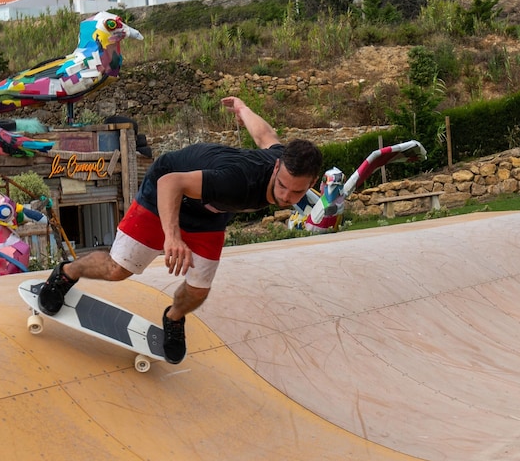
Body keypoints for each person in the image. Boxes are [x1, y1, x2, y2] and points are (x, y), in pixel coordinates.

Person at [37, 96, 323, 364]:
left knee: (198, 290)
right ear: (276, 168)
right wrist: (172, 237)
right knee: (118, 270)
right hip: (166, 189)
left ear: (311, 183)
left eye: (297, 192)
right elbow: (170, 183)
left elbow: (265, 136)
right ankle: (65, 275)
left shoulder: (282, 158)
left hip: (209, 213)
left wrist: (243, 109)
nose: (286, 196)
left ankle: (173, 318)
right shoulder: (237, 180)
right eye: (282, 185)